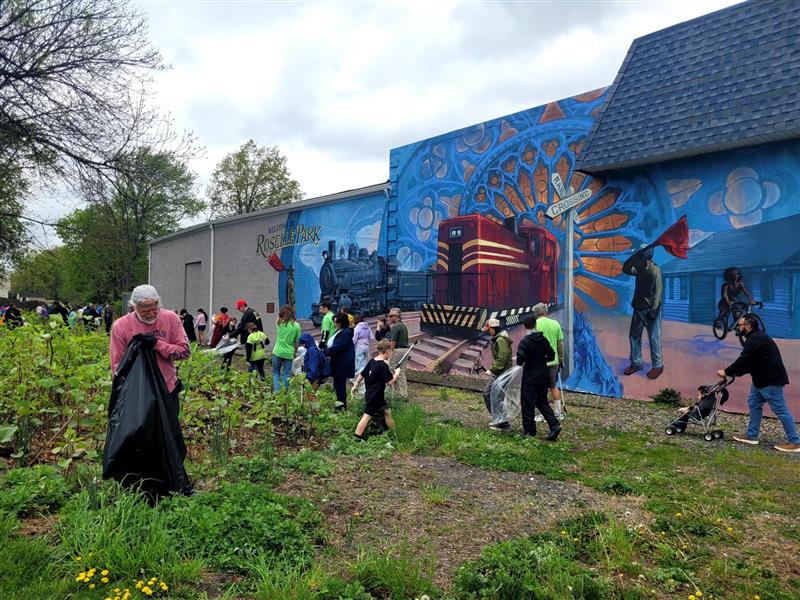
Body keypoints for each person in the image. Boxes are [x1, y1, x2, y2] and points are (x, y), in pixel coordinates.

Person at [108, 284, 192, 495]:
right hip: (136, 396)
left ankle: (169, 482)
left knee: (168, 437)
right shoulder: (121, 327)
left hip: (167, 389)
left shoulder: (170, 319)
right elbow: (117, 366)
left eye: (154, 308)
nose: (151, 313)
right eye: (145, 310)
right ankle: (139, 484)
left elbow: (184, 351)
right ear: (134, 307)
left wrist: (157, 344)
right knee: (138, 439)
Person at [717, 314, 799, 453]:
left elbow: (743, 359)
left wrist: (727, 371)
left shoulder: (756, 339)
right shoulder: (755, 338)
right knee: (754, 403)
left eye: (740, 325)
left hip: (770, 380)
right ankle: (751, 435)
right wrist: (734, 373)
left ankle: (795, 442)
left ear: (748, 326)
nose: (738, 328)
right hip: (760, 380)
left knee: (781, 410)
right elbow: (750, 363)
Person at [622, 244, 664, 379]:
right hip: (638, 307)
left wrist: (654, 310)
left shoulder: (655, 270)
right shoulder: (639, 268)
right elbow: (626, 269)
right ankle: (636, 362)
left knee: (653, 337)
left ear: (645, 257)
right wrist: (633, 257)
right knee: (634, 336)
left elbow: (658, 293)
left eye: (639, 256)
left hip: (651, 309)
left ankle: (657, 366)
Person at [516, 316, 560, 440]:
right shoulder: (543, 339)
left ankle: (530, 431)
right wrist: (541, 360)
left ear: (525, 326)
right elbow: (551, 355)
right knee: (541, 402)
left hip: (530, 377)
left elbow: (520, 361)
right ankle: (554, 425)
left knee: (527, 403)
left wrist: (524, 359)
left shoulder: (525, 342)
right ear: (535, 325)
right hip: (543, 375)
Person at [351, 339, 399, 441]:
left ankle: (394, 433)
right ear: (387, 351)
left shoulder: (371, 361)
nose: (391, 354)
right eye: (390, 351)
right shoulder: (383, 365)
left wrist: (355, 385)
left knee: (387, 412)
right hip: (376, 397)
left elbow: (362, 374)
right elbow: (390, 382)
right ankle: (357, 437)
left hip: (372, 395)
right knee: (367, 416)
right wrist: (396, 374)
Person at [530, 305, 565, 419]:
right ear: (546, 312)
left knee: (541, 389)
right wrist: (560, 360)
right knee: (553, 386)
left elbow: (530, 344)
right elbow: (560, 344)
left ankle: (544, 412)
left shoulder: (535, 325)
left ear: (535, 313)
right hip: (553, 361)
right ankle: (558, 412)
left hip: (539, 363)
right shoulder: (555, 324)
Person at [481, 318, 513, 431]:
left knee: (492, 394)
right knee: (493, 395)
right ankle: (499, 421)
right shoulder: (498, 339)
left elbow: (502, 358)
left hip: (502, 373)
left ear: (494, 328)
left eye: (489, 329)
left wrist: (492, 369)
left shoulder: (501, 340)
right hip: (500, 372)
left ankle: (503, 423)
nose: (487, 332)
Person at [325, 312, 355, 409]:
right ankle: (340, 404)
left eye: (336, 322)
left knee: (340, 385)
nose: (334, 324)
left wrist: (325, 351)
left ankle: (341, 406)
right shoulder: (341, 331)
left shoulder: (345, 334)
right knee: (338, 385)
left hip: (342, 364)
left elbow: (337, 347)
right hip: (339, 363)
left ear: (341, 322)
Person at [272, 304, 301, 392]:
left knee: (276, 372)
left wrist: (282, 313)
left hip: (277, 352)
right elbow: (296, 342)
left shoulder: (280, 323)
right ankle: (285, 393)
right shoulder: (296, 326)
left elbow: (278, 317)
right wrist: (295, 352)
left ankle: (277, 392)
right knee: (287, 374)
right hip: (289, 353)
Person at [387, 308, 409, 397]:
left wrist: (390, 353)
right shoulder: (403, 326)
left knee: (391, 370)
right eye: (389, 316)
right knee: (401, 372)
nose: (389, 318)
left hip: (398, 350)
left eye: (391, 316)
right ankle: (403, 394)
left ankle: (390, 394)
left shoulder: (395, 327)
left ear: (397, 316)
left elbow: (393, 342)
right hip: (405, 350)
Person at [352, 313, 375, 396]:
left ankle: (360, 383)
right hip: (367, 347)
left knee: (359, 366)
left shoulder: (357, 328)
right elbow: (372, 337)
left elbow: (354, 339)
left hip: (359, 347)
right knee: (366, 365)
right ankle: (367, 379)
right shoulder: (367, 326)